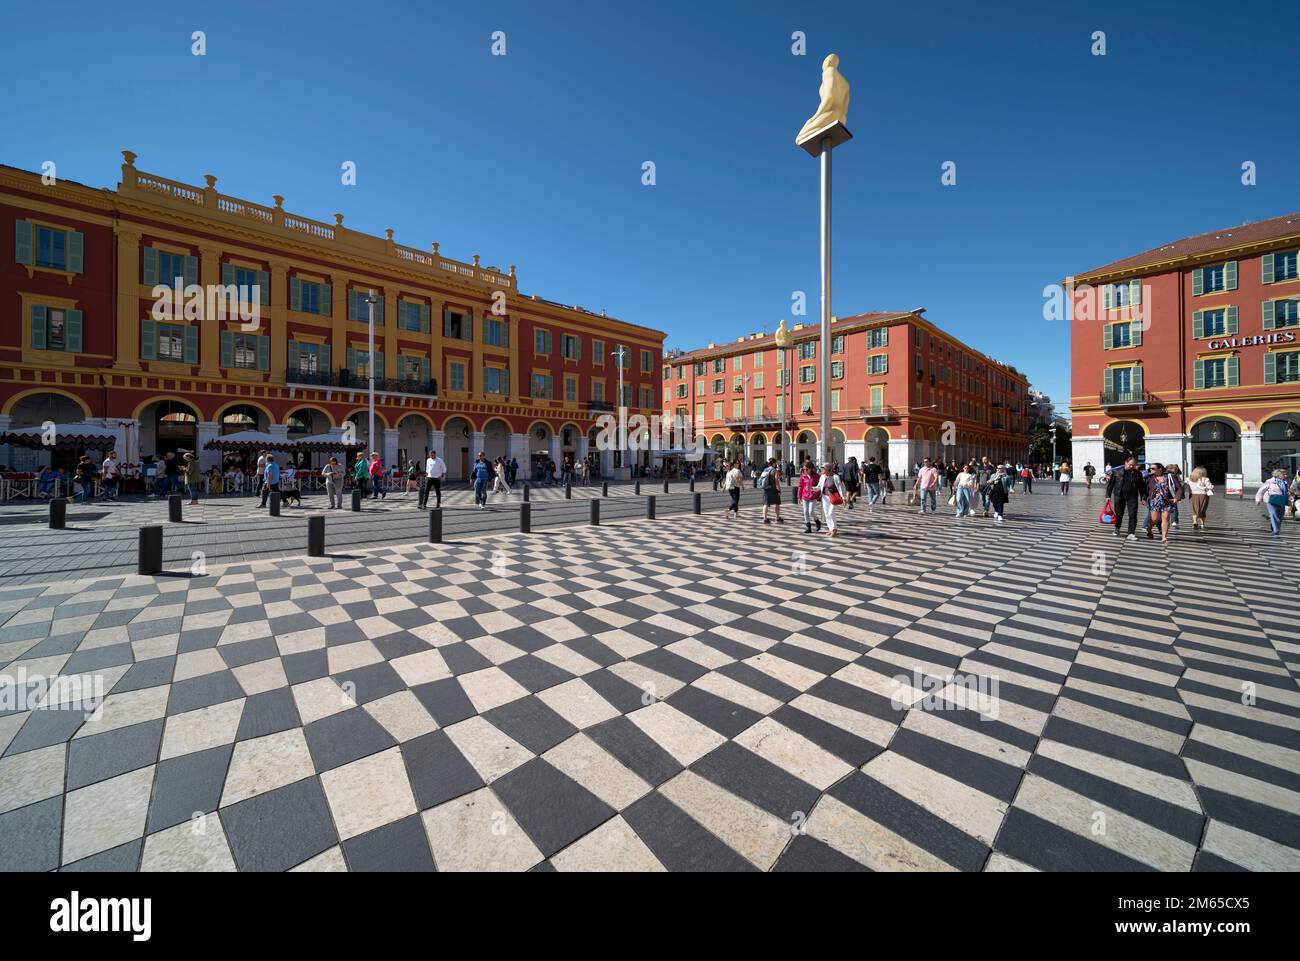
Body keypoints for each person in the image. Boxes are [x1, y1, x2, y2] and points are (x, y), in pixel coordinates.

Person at [1105, 457, 1146, 540]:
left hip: (1132, 496)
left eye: (1133, 465)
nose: (1131, 467)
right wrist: (1108, 496)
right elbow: (1110, 485)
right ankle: (1117, 529)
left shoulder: (1138, 473)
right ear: (1125, 463)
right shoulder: (1116, 472)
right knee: (1119, 514)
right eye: (1130, 464)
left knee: (1133, 514)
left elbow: (1142, 487)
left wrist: (1143, 497)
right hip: (1119, 495)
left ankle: (1131, 533)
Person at [1143, 463, 1174, 543]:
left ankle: (1164, 537)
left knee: (1166, 517)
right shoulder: (1149, 478)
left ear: (1160, 469)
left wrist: (1177, 497)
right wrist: (1143, 498)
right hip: (1154, 501)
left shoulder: (1169, 477)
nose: (1151, 470)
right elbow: (1145, 489)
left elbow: (1178, 487)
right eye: (1150, 469)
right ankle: (1149, 529)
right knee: (1155, 519)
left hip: (1167, 500)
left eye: (1153, 468)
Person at [815, 463, 846, 536]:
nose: (821, 469)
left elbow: (840, 488)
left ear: (827, 469)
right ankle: (830, 529)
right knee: (826, 514)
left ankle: (834, 529)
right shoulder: (822, 477)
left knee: (830, 513)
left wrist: (843, 497)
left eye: (822, 468)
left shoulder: (835, 477)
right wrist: (812, 488)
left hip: (834, 497)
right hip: (825, 497)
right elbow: (819, 487)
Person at [1256, 469, 1289, 535]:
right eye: (1284, 474)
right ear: (1278, 474)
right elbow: (1261, 490)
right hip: (1271, 500)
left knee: (1280, 515)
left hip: (1281, 500)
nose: (1286, 475)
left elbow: (1286, 492)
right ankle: (1276, 530)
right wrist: (1258, 499)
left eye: (1286, 474)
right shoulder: (1270, 481)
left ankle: (1274, 527)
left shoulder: (1285, 482)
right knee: (1273, 514)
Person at [759, 457, 784, 525]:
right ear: (774, 463)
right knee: (777, 503)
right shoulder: (774, 470)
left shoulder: (765, 469)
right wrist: (779, 489)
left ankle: (765, 519)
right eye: (775, 463)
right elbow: (776, 481)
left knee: (766, 503)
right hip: (773, 489)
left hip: (766, 488)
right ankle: (777, 518)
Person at [797, 462, 821, 533]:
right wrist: (799, 497)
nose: (805, 470)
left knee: (811, 512)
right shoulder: (803, 476)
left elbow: (820, 486)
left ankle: (817, 521)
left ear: (811, 469)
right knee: (805, 512)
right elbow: (800, 487)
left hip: (813, 496)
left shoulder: (816, 476)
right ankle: (808, 527)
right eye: (803, 469)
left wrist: (817, 493)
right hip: (805, 496)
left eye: (806, 469)